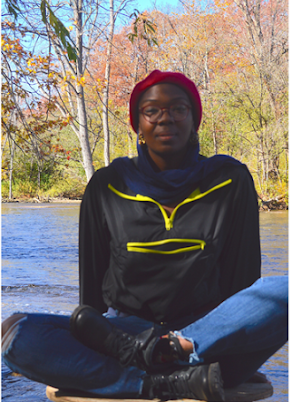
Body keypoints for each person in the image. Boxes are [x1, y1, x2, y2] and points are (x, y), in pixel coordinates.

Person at [2, 70, 288, 402]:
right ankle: (155, 383)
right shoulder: (108, 186)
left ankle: (169, 351)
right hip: (123, 341)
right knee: (16, 333)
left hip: (208, 344)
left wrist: (233, 335)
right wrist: (87, 338)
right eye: (152, 110)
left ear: (194, 119)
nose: (165, 118)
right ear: (138, 124)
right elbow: (90, 301)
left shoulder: (230, 181)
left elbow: (244, 283)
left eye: (179, 108)